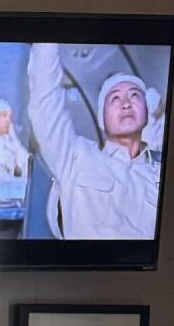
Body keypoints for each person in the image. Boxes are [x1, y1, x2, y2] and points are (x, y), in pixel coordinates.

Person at [26, 44, 159, 239]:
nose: (126, 103)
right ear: (101, 120)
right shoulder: (76, 158)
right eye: (115, 98)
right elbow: (45, 104)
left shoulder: (159, 175)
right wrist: (48, 38)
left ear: (146, 113)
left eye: (134, 95)